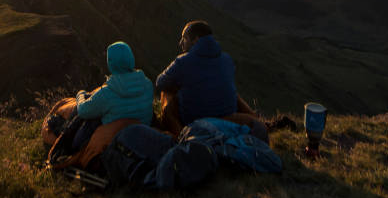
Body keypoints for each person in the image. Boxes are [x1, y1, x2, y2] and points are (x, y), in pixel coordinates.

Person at [43, 41, 156, 171]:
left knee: (81, 118)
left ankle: (63, 139)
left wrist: (80, 94)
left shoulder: (108, 92)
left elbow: (83, 110)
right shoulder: (147, 84)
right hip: (141, 134)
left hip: (110, 141)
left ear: (111, 63)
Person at [155, 20, 267, 140]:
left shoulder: (182, 62)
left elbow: (160, 83)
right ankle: (255, 118)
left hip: (193, 120)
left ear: (195, 40)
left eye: (184, 38)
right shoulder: (227, 59)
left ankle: (179, 136)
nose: (180, 43)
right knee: (230, 92)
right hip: (227, 117)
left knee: (166, 92)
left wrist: (178, 85)